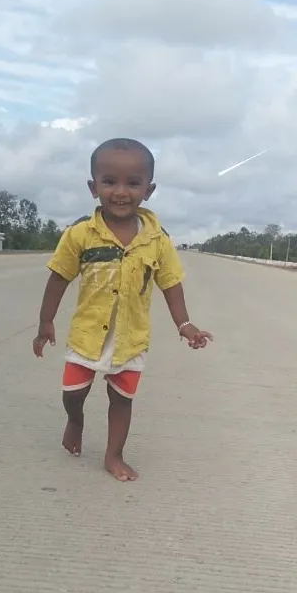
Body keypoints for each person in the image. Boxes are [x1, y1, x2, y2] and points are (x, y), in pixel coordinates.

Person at [33, 138, 212, 482]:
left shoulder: (158, 239)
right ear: (93, 187)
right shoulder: (80, 234)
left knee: (122, 399)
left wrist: (185, 324)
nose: (120, 191)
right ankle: (76, 420)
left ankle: (113, 455)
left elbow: (171, 283)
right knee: (73, 393)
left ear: (149, 189)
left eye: (133, 183)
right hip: (87, 335)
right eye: (109, 181)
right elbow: (58, 278)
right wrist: (45, 323)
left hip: (131, 339)